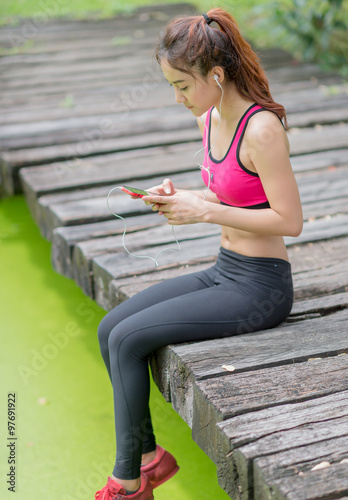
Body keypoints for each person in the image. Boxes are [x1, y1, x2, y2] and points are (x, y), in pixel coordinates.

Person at [95, 7, 303, 500]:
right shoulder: (209, 119)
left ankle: (128, 483)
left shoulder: (262, 131)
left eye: (183, 86)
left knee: (128, 341)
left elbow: (288, 220)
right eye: (172, 86)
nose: (178, 98)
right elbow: (232, 195)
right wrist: (182, 197)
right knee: (110, 329)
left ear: (216, 73)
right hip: (224, 271)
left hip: (262, 287)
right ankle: (149, 458)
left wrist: (204, 213)